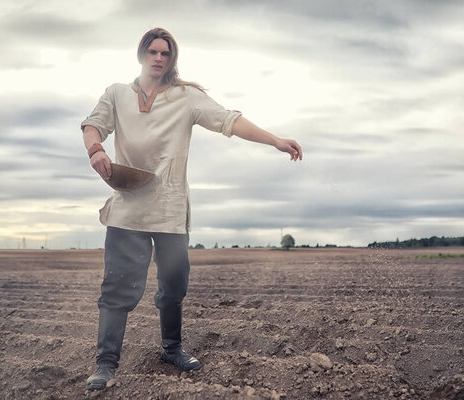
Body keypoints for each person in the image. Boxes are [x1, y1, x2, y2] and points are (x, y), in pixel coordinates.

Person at [81, 27, 302, 391]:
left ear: (172, 59)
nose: (158, 58)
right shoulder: (116, 94)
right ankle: (105, 364)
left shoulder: (187, 98)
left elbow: (229, 120)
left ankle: (172, 348)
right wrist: (96, 151)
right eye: (152, 52)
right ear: (141, 54)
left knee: (174, 285)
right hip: (127, 210)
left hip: (169, 211)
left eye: (165, 53)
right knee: (117, 288)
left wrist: (275, 140)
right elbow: (93, 126)